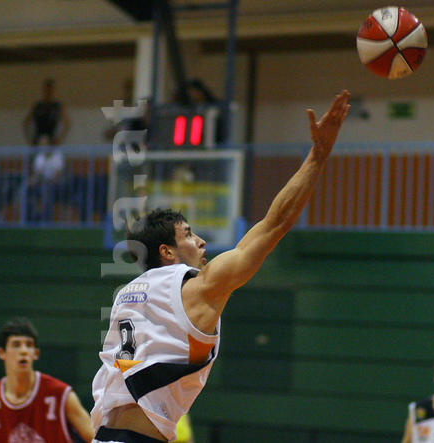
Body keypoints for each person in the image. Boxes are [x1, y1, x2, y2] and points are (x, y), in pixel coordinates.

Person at [91, 90, 351, 442]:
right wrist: (318, 155)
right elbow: (275, 224)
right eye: (188, 234)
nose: (201, 241)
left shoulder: (126, 295)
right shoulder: (197, 289)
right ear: (166, 251)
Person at [0, 317, 94, 442]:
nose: (23, 351)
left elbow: (97, 439)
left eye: (29, 345)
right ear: (1, 353)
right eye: (16, 345)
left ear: (36, 353)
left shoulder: (61, 394)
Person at [23, 78, 70, 147]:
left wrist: (60, 139)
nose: (48, 92)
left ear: (53, 90)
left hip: (52, 141)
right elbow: (26, 122)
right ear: (44, 90)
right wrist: (29, 139)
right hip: (38, 141)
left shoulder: (57, 106)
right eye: (47, 89)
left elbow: (67, 123)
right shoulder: (37, 106)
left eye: (50, 90)